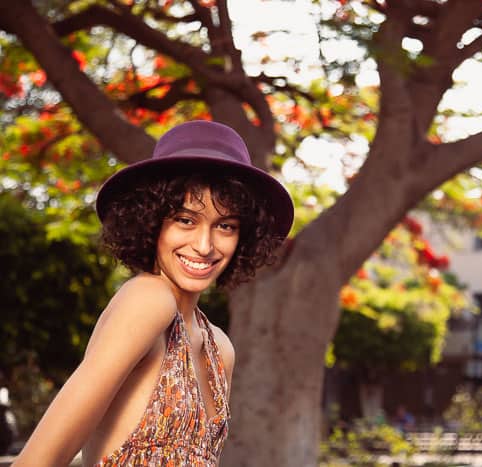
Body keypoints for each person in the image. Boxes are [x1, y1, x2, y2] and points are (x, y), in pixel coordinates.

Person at [12, 121, 294, 466]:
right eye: (185, 220)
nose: (204, 246)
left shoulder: (220, 349)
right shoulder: (148, 299)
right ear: (150, 222)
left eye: (225, 226)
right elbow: (40, 459)